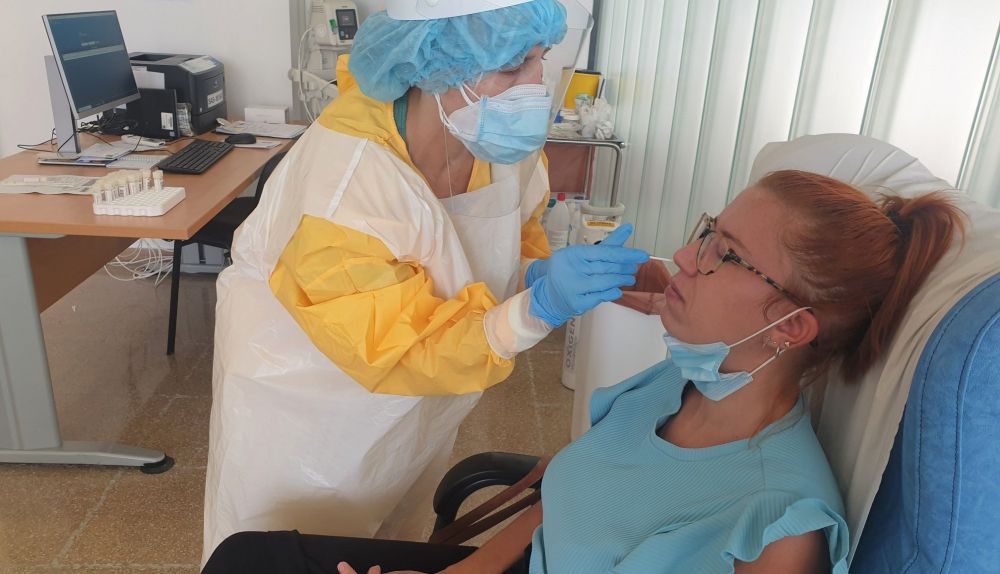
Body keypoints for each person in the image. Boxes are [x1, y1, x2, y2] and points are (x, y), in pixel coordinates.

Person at [202, 170, 965, 573]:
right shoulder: (675, 387)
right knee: (247, 558)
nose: (687, 256)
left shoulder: (778, 523)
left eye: (723, 253)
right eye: (708, 230)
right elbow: (564, 505)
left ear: (791, 326)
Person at [202, 0, 647, 563]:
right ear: (436, 67)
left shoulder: (499, 142)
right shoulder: (344, 187)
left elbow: (511, 238)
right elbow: (398, 347)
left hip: (422, 396)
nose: (536, 85)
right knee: (293, 550)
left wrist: (533, 271)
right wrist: (538, 308)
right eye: (512, 66)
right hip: (308, 402)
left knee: (393, 540)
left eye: (542, 57)